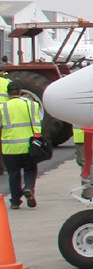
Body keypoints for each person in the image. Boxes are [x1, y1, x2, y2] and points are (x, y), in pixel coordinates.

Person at [1, 81, 42, 209]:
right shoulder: (32, 105)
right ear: (20, 92)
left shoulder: (2, 107)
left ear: (8, 94)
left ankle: (15, 201)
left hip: (10, 147)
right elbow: (37, 124)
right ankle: (28, 187)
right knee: (30, 170)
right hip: (28, 146)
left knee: (13, 174)